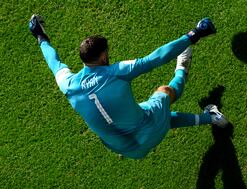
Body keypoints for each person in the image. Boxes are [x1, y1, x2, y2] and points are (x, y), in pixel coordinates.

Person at [29, 15, 228, 159]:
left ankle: (211, 119)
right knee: (164, 93)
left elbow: (54, 62)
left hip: (129, 151)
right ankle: (183, 68)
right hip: (149, 129)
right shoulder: (116, 71)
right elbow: (156, 58)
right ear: (104, 56)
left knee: (150, 115)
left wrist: (41, 37)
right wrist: (195, 34)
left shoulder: (68, 84)